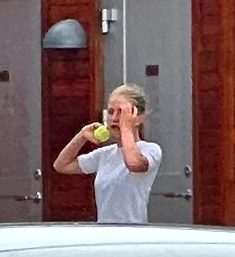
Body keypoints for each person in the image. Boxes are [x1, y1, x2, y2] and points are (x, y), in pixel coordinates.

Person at [52, 85, 161, 224]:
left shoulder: (151, 149)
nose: (114, 118)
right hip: (105, 231)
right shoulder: (105, 154)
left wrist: (126, 127)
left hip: (133, 232)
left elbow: (134, 164)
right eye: (110, 112)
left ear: (138, 118)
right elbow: (61, 165)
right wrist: (81, 136)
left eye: (121, 112)